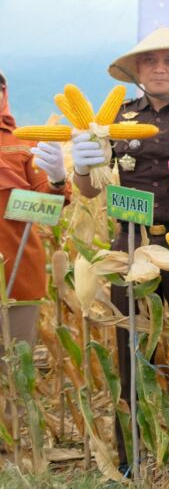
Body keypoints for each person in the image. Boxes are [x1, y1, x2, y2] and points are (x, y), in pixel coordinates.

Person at [73, 27, 169, 485]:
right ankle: (132, 457)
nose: (159, 68)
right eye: (150, 61)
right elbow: (88, 190)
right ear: (138, 70)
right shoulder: (114, 117)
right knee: (131, 351)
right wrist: (83, 165)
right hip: (131, 246)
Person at [0, 69, 70, 352]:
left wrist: (56, 179)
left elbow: (49, 205)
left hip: (18, 276)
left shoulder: (25, 144)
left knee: (13, 368)